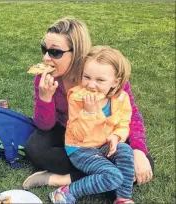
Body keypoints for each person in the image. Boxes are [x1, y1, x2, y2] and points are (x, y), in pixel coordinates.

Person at [23, 17, 154, 190]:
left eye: (55, 52)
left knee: (144, 166)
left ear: (76, 52)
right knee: (34, 148)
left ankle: (62, 179)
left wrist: (138, 150)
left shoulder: (103, 72)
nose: (46, 58)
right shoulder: (44, 78)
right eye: (44, 49)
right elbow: (44, 126)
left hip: (105, 132)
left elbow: (132, 114)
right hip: (71, 133)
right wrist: (45, 98)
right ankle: (106, 175)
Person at [49, 45, 134, 203]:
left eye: (100, 80)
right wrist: (89, 112)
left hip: (103, 144)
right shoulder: (77, 98)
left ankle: (122, 198)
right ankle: (66, 191)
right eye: (87, 77)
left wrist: (116, 136)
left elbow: (124, 123)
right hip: (80, 147)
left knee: (126, 150)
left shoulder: (121, 98)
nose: (91, 85)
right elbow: (77, 134)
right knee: (113, 176)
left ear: (115, 82)